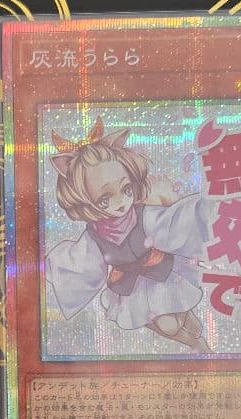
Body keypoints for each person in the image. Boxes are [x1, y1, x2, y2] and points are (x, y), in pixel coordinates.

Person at [45, 118, 213, 352]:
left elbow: (173, 224)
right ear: (84, 201)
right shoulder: (93, 236)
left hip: (162, 273)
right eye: (104, 199)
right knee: (167, 325)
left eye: (126, 189)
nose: (121, 202)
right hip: (130, 286)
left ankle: (193, 331)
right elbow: (80, 264)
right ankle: (197, 344)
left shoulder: (143, 215)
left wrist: (204, 215)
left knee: (183, 319)